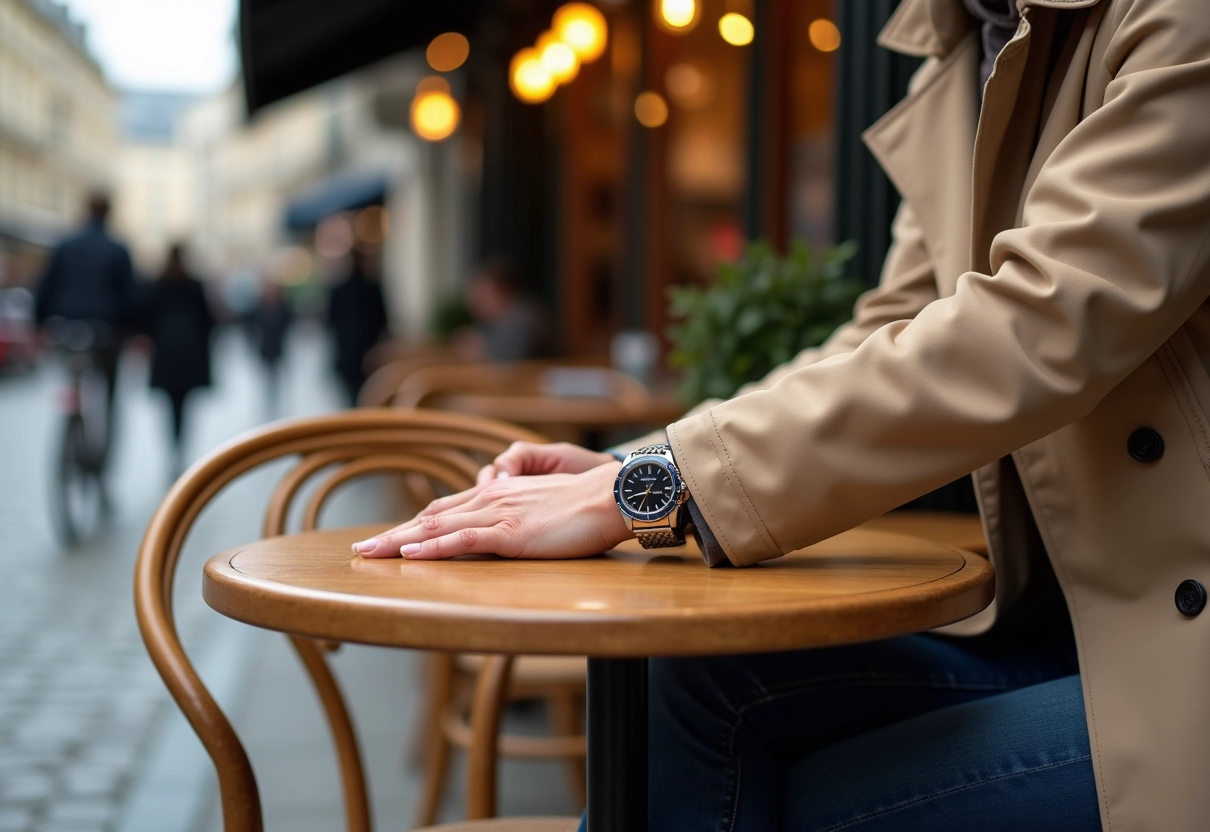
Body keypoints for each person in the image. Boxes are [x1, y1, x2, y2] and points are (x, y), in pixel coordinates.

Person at [353, 0, 1210, 828]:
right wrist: (638, 468)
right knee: (681, 677)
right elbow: (890, 326)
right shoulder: (966, 42)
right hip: (1077, 631)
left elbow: (1040, 322)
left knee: (797, 802)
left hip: (1175, 662)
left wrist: (662, 484)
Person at [34, 191, 137, 432]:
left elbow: (46, 286)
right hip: (105, 328)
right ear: (109, 212)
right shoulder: (117, 249)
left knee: (72, 376)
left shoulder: (66, 245)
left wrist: (39, 322)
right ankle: (103, 447)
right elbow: (130, 296)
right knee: (108, 392)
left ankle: (71, 410)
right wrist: (131, 329)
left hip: (66, 325)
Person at [143, 244, 214, 478]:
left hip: (165, 355)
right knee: (184, 407)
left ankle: (173, 448)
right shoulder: (194, 285)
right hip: (189, 355)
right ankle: (180, 449)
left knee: (170, 407)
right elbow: (208, 321)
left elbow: (146, 319)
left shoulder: (158, 284)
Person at [327, 247, 389, 404]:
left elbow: (330, 323)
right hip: (367, 355)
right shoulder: (373, 288)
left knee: (350, 399)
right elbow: (383, 322)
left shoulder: (339, 290)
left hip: (350, 356)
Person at [456, 259, 551, 362]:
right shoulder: (496, 320)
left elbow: (511, 363)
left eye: (483, 293)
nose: (475, 300)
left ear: (503, 291)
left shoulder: (523, 318)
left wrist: (480, 350)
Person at [249, 279, 291, 418]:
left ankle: (275, 399)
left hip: (277, 348)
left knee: (276, 376)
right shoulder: (259, 308)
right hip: (265, 348)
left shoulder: (282, 307)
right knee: (267, 376)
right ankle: (269, 399)